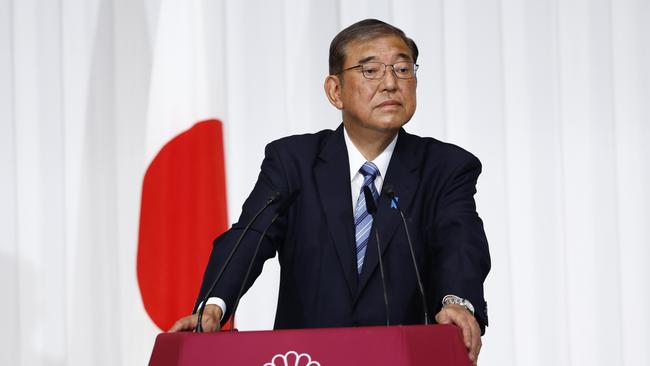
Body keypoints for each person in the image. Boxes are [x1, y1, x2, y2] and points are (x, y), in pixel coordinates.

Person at [170, 18, 490, 365]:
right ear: (335, 90)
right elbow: (250, 237)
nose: (390, 83)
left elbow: (460, 241)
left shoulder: (446, 166)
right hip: (307, 359)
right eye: (370, 70)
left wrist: (457, 301)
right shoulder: (294, 161)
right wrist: (214, 306)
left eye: (402, 68)